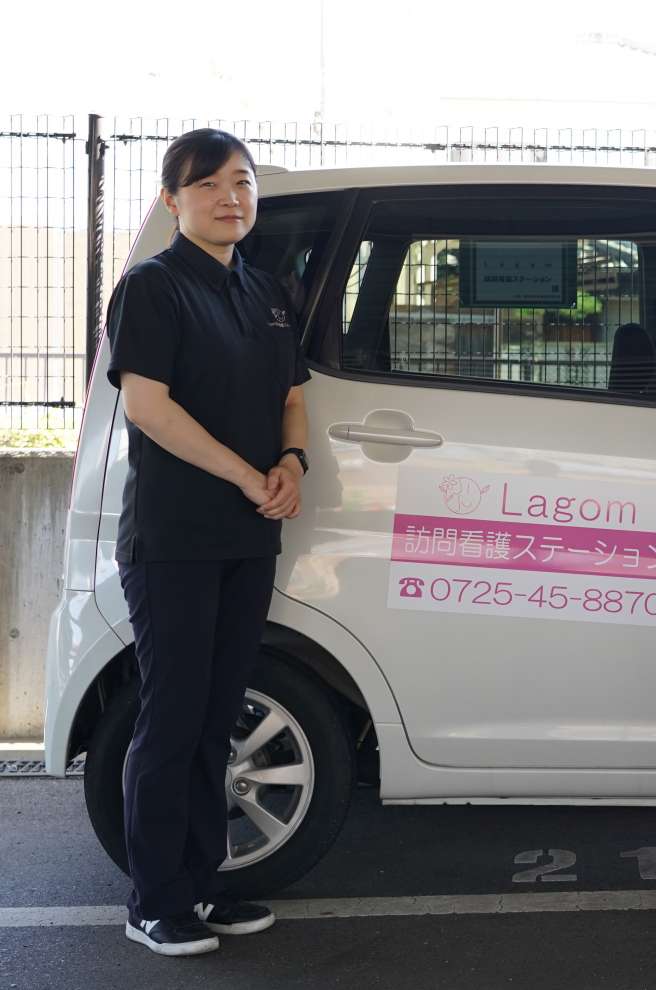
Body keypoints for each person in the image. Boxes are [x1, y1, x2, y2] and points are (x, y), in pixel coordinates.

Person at [104, 128, 311, 956]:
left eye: (243, 182)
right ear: (172, 199)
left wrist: (291, 462)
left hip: (247, 537)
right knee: (172, 717)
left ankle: (201, 885)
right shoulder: (152, 288)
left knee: (218, 713)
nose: (231, 198)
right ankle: (154, 901)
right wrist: (246, 475)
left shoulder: (262, 289)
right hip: (174, 538)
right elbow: (148, 407)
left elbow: (292, 395)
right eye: (210, 184)